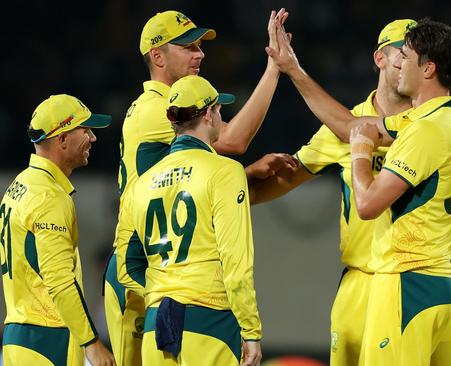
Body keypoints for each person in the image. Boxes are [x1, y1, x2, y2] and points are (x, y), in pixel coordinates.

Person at [251, 18, 451, 365]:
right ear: (380, 57)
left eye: (409, 54)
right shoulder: (432, 122)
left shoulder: (425, 127)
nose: (401, 61)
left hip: (400, 281)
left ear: (427, 67)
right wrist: (233, 186)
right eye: (399, 51)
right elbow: (301, 168)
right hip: (363, 282)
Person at [104, 9, 293, 366]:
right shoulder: (156, 109)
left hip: (157, 263)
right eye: (188, 46)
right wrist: (275, 69)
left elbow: (192, 182)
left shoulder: (155, 113)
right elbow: (233, 142)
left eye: (199, 46)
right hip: (148, 271)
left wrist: (248, 174)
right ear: (157, 56)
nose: (200, 54)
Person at [115, 75, 262, 366]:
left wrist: (166, 291)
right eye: (220, 110)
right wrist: (251, 330)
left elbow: (126, 267)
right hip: (210, 319)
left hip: (157, 325)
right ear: (209, 114)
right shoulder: (225, 172)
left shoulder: (143, 183)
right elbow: (236, 260)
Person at [0, 94, 115, 366]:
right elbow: (60, 279)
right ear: (62, 139)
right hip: (48, 338)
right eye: (85, 130)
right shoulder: (49, 196)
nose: (93, 138)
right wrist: (92, 343)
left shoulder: (22, 184)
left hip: (19, 334)